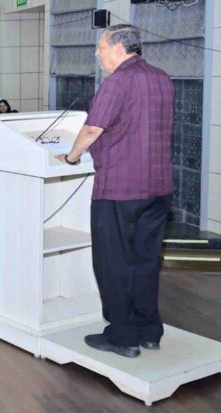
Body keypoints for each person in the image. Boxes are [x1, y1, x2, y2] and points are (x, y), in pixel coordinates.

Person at [58, 24, 174, 358]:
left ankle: (123, 337)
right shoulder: (162, 78)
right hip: (158, 187)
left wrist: (70, 156)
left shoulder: (117, 82)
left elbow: (93, 128)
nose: (98, 53)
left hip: (120, 188)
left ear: (119, 48)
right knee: (145, 260)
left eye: (101, 47)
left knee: (113, 262)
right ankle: (149, 330)